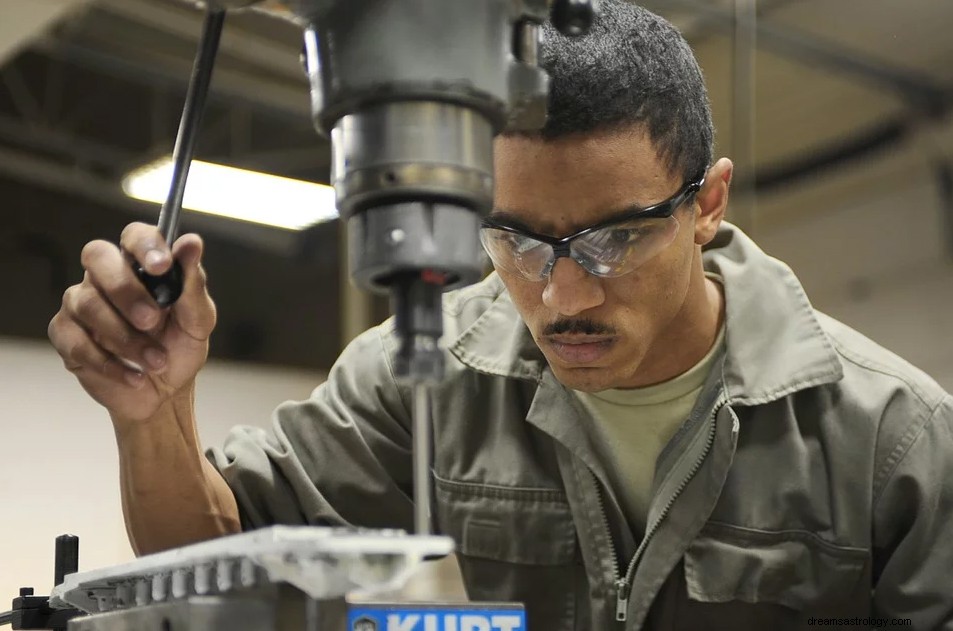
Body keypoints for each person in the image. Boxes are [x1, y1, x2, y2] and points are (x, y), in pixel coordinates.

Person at [47, 2, 953, 629]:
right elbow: (213, 559)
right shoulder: (414, 381)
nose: (561, 296)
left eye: (612, 240)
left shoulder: (893, 440)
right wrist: (152, 411)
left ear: (706, 201)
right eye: (515, 239)